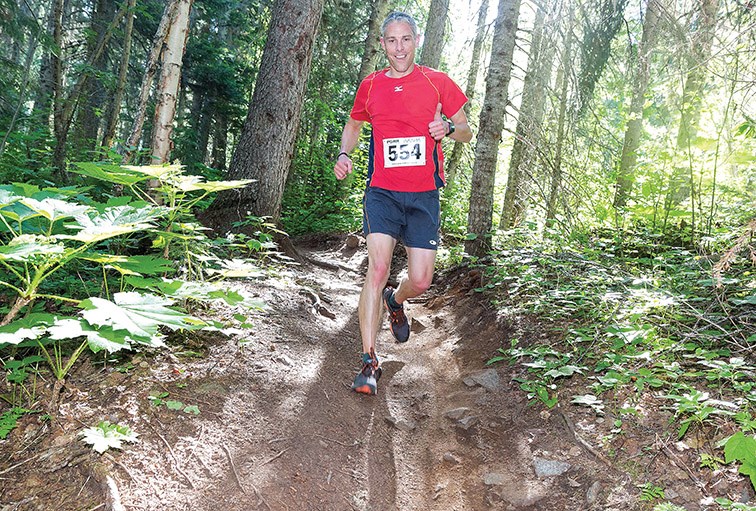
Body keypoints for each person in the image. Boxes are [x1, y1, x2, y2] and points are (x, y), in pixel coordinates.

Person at [334, 11, 472, 395]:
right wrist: (346, 153)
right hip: (382, 191)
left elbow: (466, 130)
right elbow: (354, 123)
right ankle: (368, 361)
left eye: (406, 39)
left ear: (416, 41)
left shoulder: (437, 81)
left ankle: (396, 300)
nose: (399, 48)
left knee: (422, 280)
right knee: (376, 267)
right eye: (392, 41)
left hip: (423, 194)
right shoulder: (371, 84)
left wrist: (447, 127)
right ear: (383, 45)